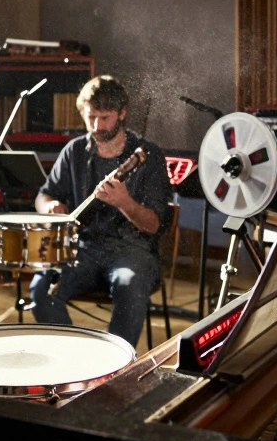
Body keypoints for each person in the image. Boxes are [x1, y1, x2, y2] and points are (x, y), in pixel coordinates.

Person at [29, 75, 173, 348]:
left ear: (122, 113)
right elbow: (44, 194)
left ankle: (114, 366)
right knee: (41, 290)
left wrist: (124, 202)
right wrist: (49, 206)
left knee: (129, 285)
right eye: (90, 117)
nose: (96, 126)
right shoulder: (75, 151)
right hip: (83, 248)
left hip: (133, 250)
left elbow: (154, 225)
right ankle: (76, 359)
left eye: (105, 117)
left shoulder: (149, 155)